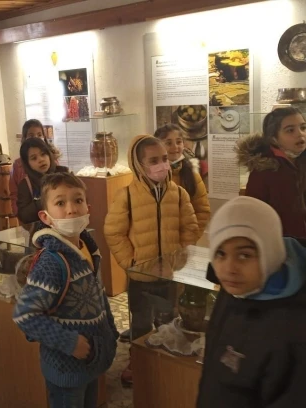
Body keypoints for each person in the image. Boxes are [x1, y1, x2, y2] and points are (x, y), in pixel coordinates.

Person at [197, 196, 306, 407]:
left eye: (244, 255)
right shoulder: (235, 292)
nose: (229, 268)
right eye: (220, 253)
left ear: (270, 253)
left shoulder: (299, 338)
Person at [13, 172, 118, 408]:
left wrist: (110, 333)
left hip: (91, 362)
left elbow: (98, 296)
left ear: (88, 208)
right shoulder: (51, 262)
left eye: (78, 200)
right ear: (45, 216)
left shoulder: (88, 250)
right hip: (66, 368)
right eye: (60, 203)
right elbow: (25, 315)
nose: (71, 210)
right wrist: (71, 343)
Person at [103, 135, 199, 385]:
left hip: (169, 275)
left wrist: (179, 258)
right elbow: (113, 231)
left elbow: (190, 227)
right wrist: (131, 262)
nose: (162, 164)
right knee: (141, 322)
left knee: (168, 320)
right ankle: (138, 361)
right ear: (139, 165)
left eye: (164, 158)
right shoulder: (126, 196)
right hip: (141, 277)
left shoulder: (179, 194)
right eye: (153, 160)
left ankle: (164, 360)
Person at [236, 107, 306, 249]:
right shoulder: (264, 171)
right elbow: (254, 217)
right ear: (274, 138)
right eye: (290, 130)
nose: (300, 134)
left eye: (303, 127)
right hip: (281, 251)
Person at [155, 124, 211, 238]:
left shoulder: (192, 174)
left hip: (182, 240)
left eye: (179, 142)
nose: (175, 147)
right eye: (168, 143)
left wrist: (190, 237)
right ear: (157, 146)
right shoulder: (149, 175)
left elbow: (202, 210)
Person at [16, 137, 69, 224]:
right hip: (41, 230)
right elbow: (24, 216)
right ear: (27, 163)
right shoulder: (26, 184)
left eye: (43, 154)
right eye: (34, 158)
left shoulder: (64, 174)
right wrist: (45, 199)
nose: (41, 160)